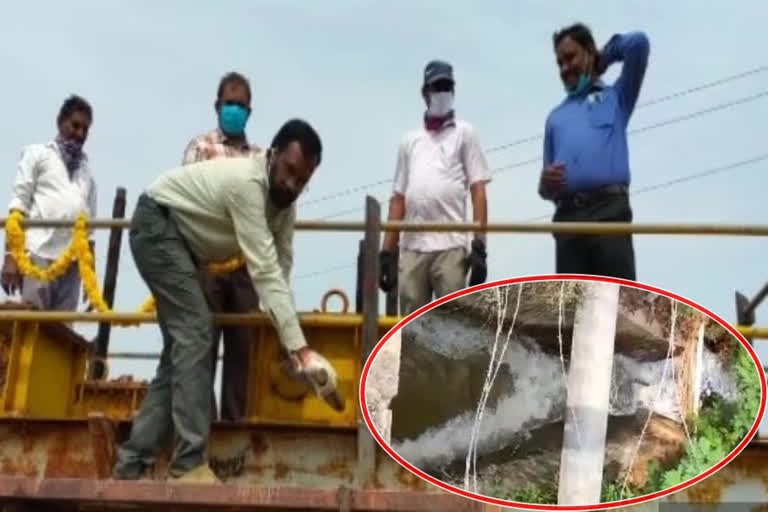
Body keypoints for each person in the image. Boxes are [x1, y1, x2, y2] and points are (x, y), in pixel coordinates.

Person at [112, 119, 343, 484]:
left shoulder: (283, 209)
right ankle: (187, 465)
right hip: (157, 226)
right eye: (289, 171)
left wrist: (290, 348)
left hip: (183, 247)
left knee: (180, 354)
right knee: (197, 332)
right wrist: (302, 349)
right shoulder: (247, 184)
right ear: (272, 156)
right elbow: (264, 269)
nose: (292, 184)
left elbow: (281, 273)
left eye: (302, 180)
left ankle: (130, 466)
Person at [538, 23, 650, 280]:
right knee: (572, 313)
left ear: (589, 53)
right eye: (560, 63)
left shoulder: (617, 97)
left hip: (610, 211)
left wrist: (606, 56)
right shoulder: (555, 118)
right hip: (568, 220)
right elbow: (546, 190)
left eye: (571, 57)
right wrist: (545, 182)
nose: (565, 68)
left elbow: (638, 44)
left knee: (618, 304)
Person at [379, 60, 490, 316]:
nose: (442, 93)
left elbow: (478, 191)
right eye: (436, 87)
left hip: (450, 246)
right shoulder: (410, 141)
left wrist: (480, 245)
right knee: (411, 329)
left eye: (446, 86)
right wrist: (387, 251)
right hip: (413, 247)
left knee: (453, 327)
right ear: (425, 93)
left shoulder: (465, 133)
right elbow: (399, 199)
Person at [182, 71, 262, 423]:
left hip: (244, 263)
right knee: (202, 345)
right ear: (217, 106)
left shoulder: (260, 157)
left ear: (249, 111)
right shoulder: (200, 149)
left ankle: (234, 425)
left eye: (241, 105)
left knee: (242, 348)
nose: (234, 110)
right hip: (208, 260)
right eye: (229, 103)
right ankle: (203, 425)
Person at [1, 95, 97, 311]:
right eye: (75, 125)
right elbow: (18, 206)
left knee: (62, 334)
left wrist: (90, 279)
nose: (80, 134)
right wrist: (10, 257)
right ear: (60, 122)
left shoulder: (87, 174)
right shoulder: (37, 154)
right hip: (37, 254)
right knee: (32, 325)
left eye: (85, 129)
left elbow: (89, 232)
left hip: (71, 262)